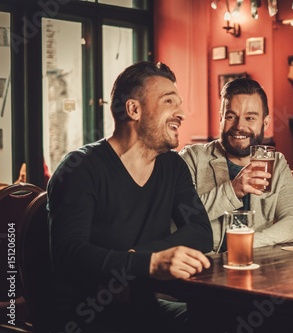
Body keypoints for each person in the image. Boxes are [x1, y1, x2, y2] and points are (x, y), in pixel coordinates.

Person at [46, 61, 213, 333]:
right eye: (169, 101)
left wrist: (136, 259)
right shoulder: (80, 168)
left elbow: (200, 231)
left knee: (220, 320)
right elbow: (69, 254)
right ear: (134, 109)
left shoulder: (172, 166)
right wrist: (149, 264)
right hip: (83, 317)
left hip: (141, 309)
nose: (181, 112)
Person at [179, 78, 293, 253]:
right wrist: (232, 191)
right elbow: (181, 217)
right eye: (231, 116)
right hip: (204, 268)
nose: (239, 126)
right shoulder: (193, 158)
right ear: (221, 119)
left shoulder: (276, 163)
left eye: (250, 118)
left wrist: (247, 243)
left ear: (265, 123)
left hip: (256, 269)